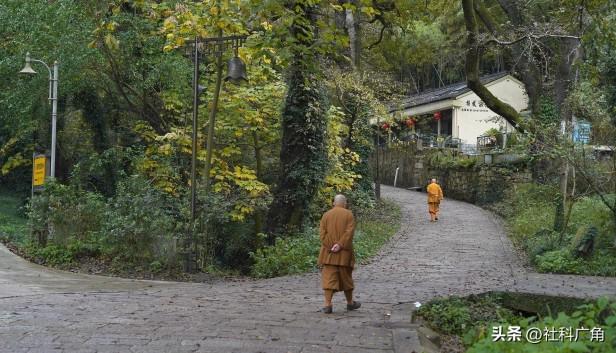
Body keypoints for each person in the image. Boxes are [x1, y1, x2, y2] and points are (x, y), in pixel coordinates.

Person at [317, 194, 361, 314]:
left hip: (328, 253)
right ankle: (350, 303)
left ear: (333, 203)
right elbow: (349, 233)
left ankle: (327, 304)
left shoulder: (326, 215)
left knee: (329, 278)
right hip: (344, 254)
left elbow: (322, 234)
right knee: (346, 278)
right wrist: (340, 245)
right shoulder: (349, 215)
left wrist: (331, 246)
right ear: (345, 203)